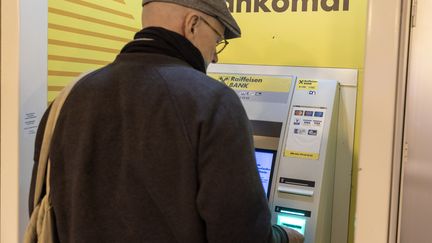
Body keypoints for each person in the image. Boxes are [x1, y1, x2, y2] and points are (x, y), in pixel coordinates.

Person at [29, 0, 304, 242]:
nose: (215, 56)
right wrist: (284, 236)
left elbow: (41, 207)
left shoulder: (67, 100)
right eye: (218, 39)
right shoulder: (212, 102)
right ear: (193, 24)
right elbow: (241, 235)